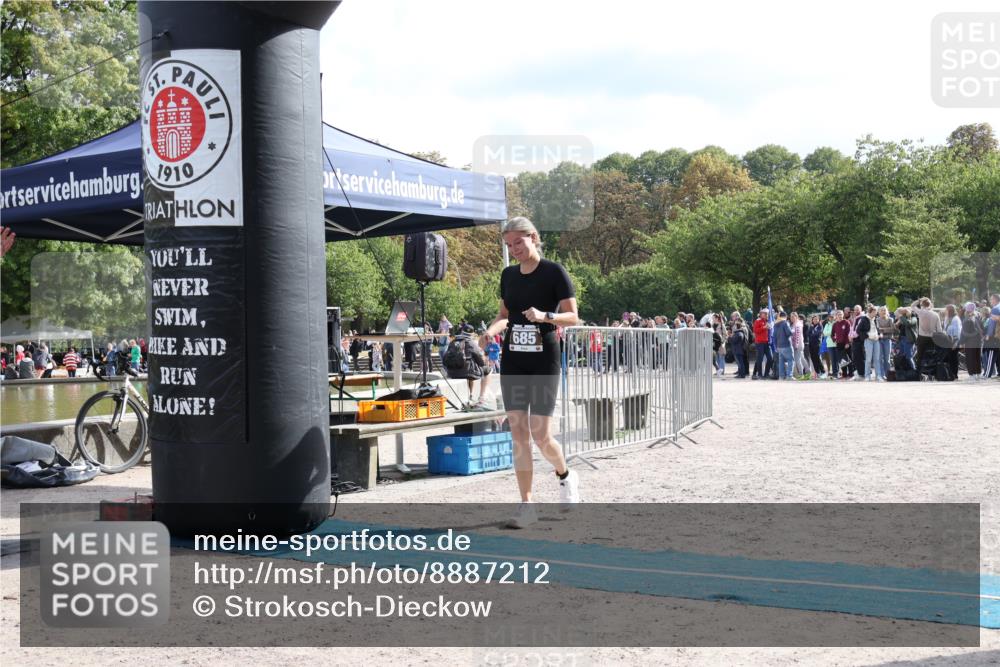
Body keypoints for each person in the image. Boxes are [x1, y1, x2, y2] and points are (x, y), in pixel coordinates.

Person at [482, 217, 580, 528]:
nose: (515, 250)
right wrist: (489, 332)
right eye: (509, 245)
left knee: (541, 434)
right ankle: (526, 504)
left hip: (544, 359)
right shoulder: (508, 274)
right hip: (514, 360)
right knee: (518, 432)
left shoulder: (554, 272)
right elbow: (504, 315)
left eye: (518, 243)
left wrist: (544, 315)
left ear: (533, 237)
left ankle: (564, 475)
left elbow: (573, 317)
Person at [912, 297, 943, 372]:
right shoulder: (936, 314)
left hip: (922, 337)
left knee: (920, 355)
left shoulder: (921, 312)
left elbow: (912, 306)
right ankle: (933, 372)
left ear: (922, 305)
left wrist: (919, 300)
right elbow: (939, 329)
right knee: (932, 355)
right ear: (930, 305)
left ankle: (919, 372)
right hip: (932, 337)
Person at [860, 305, 881, 381]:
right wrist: (867, 335)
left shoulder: (876, 319)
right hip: (868, 340)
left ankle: (878, 376)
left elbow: (878, 329)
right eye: (874, 312)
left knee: (877, 359)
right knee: (868, 359)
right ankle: (867, 376)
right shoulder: (864, 319)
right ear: (870, 312)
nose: (875, 314)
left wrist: (879, 334)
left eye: (876, 312)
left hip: (876, 340)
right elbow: (859, 330)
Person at [751, 309, 773, 380]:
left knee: (770, 358)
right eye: (765, 314)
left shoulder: (767, 321)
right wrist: (764, 327)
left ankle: (766, 374)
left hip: (766, 343)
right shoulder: (757, 321)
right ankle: (759, 374)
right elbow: (755, 331)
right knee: (759, 359)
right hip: (759, 343)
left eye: (767, 314)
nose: (767, 315)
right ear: (761, 314)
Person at [874, 306, 895, 380]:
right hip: (879, 340)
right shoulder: (877, 319)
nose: (883, 312)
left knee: (887, 358)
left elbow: (892, 329)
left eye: (884, 310)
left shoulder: (890, 319)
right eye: (882, 310)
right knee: (880, 358)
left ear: (887, 311)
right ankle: (881, 374)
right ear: (879, 312)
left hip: (887, 340)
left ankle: (888, 374)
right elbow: (877, 329)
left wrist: (882, 330)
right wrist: (886, 329)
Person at [772, 311, 794, 380]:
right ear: (785, 316)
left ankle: (781, 376)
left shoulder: (775, 324)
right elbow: (789, 333)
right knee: (790, 360)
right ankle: (789, 376)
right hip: (786, 344)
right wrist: (792, 330)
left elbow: (774, 336)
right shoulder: (785, 323)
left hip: (779, 346)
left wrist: (776, 346)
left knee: (781, 362)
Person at [943, 304, 962, 380]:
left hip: (954, 340)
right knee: (950, 358)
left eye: (946, 309)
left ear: (949, 310)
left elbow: (958, 331)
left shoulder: (955, 319)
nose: (945, 311)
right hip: (948, 340)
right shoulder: (947, 318)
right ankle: (950, 374)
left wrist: (956, 343)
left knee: (954, 358)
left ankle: (955, 374)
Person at [807, 315, 824, 379]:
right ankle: (817, 372)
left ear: (818, 320)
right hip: (811, 344)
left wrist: (812, 333)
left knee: (818, 358)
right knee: (813, 358)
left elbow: (817, 334)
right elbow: (808, 334)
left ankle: (823, 371)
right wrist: (811, 330)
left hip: (817, 344)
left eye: (816, 319)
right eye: (814, 319)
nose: (815, 320)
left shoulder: (820, 326)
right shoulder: (811, 326)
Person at [789, 312, 806, 377]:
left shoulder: (798, 324)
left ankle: (801, 374)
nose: (792, 318)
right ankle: (808, 371)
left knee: (797, 360)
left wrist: (796, 345)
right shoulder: (793, 324)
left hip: (798, 345)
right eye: (791, 317)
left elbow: (797, 336)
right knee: (802, 359)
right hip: (795, 345)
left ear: (796, 317)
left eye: (793, 317)